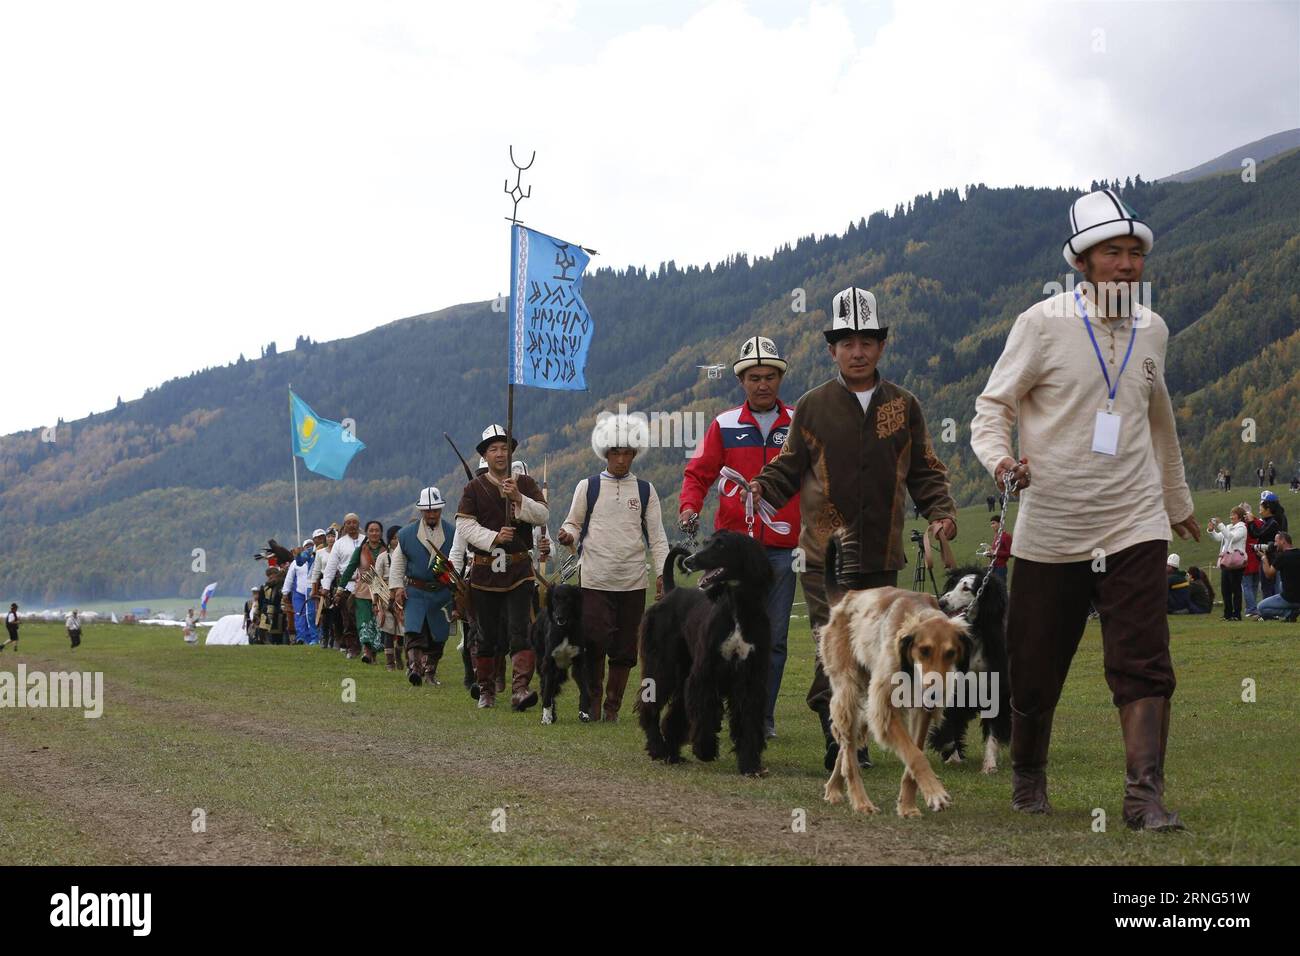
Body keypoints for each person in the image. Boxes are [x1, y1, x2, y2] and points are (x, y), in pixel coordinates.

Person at [970, 188, 1199, 831]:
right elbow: (993, 409)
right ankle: (1027, 778)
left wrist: (1175, 500)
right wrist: (1001, 462)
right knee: (1034, 663)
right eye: (1112, 254)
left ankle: (1143, 796)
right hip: (1051, 524)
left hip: (1133, 518)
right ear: (1082, 262)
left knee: (1144, 656)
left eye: (1135, 254)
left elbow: (1161, 421)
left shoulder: (1153, 330)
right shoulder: (1040, 325)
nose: (1127, 265)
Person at [751, 286, 958, 772]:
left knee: (879, 653)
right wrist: (762, 488)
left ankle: (852, 728)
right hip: (826, 557)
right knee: (839, 649)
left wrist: (941, 511)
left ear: (881, 346)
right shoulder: (812, 406)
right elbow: (787, 466)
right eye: (847, 343)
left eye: (866, 341)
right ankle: (841, 740)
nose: (857, 351)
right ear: (832, 351)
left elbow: (926, 469)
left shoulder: (903, 406)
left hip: (883, 554)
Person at [679, 335, 800, 738]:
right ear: (742, 382)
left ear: (779, 379)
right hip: (731, 553)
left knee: (774, 638)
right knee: (721, 633)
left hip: (782, 551)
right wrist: (688, 507)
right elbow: (698, 472)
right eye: (754, 377)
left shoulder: (799, 422)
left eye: (769, 377)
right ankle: (713, 710)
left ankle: (760, 718)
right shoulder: (724, 424)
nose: (762, 384)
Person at [559, 414, 670, 723]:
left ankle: (612, 708)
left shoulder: (646, 490)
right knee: (593, 640)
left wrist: (662, 574)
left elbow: (658, 537)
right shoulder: (589, 487)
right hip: (594, 576)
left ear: (635, 454)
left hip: (633, 579)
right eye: (615, 453)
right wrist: (568, 535)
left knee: (624, 649)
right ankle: (592, 702)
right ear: (605, 454)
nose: (621, 459)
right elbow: (573, 522)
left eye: (627, 453)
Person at [455, 425, 549, 710]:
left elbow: (543, 513)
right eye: (494, 449)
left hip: (519, 571)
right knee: (486, 635)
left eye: (505, 448)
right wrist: (493, 537)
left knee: (521, 630)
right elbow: (464, 525)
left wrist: (520, 499)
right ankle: (486, 690)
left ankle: (520, 689)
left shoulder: (526, 483)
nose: (500, 453)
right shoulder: (473, 488)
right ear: (485, 454)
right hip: (485, 572)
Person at [391, 488, 459, 686]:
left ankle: (430, 672)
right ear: (421, 511)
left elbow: (458, 561)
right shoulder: (406, 535)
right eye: (428, 511)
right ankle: (414, 667)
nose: (432, 514)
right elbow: (398, 564)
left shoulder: (453, 533)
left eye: (435, 510)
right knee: (414, 631)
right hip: (416, 591)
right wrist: (397, 588)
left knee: (438, 636)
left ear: (440, 510)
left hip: (442, 592)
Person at [338, 520, 389, 664]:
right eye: (371, 530)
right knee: (364, 622)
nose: (374, 533)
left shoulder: (386, 551)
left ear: (381, 533)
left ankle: (373, 653)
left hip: (381, 592)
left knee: (378, 623)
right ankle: (366, 650)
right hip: (363, 592)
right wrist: (340, 588)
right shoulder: (360, 551)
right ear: (366, 533)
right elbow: (350, 569)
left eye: (377, 530)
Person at [320, 514, 362, 659]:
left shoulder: (366, 540)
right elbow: (331, 567)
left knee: (364, 617)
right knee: (347, 618)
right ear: (344, 526)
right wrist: (325, 586)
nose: (352, 525)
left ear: (358, 524)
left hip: (366, 584)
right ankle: (352, 647)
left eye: (354, 522)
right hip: (346, 585)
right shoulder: (339, 544)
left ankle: (367, 646)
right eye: (348, 523)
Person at [1208, 508, 1247, 621]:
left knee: (1236, 588)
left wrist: (1220, 524)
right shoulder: (1229, 527)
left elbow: (1231, 538)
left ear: (1239, 517)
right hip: (1226, 561)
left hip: (1236, 562)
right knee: (1225, 589)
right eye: (1230, 514)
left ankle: (1237, 614)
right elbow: (1219, 538)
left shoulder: (1242, 528)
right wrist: (1211, 531)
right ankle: (1227, 613)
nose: (1231, 517)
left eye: (1233, 514)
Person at [375, 525, 405, 671]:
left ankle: (399, 654)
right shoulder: (382, 557)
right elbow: (376, 579)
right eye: (394, 538)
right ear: (389, 540)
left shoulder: (406, 555)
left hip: (402, 594)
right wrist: (376, 600)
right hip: (385, 594)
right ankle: (389, 663)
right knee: (388, 629)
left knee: (402, 630)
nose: (396, 541)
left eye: (399, 538)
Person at [282, 535, 321, 645]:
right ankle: (301, 637)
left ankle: (313, 637)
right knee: (299, 615)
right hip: (299, 593)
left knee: (312, 614)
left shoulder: (315, 558)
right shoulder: (296, 562)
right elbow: (289, 577)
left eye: (310, 545)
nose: (309, 547)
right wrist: (285, 592)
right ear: (304, 548)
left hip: (312, 591)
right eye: (306, 546)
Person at [1259, 532, 1300, 620]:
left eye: (1276, 541)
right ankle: (1295, 609)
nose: (1274, 544)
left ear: (1283, 541)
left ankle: (1289, 613)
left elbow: (1269, 575)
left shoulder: (1282, 557)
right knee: (1281, 584)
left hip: (1289, 598)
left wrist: (1264, 559)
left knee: (1261, 607)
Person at [256, 566, 287, 644]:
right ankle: (264, 642)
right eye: (269, 575)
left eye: (273, 574)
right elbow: (260, 600)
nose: (271, 576)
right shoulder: (264, 586)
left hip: (278, 610)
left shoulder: (281, 585)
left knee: (278, 631)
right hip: (266, 610)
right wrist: (258, 612)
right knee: (264, 629)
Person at [989, 515, 1013, 584]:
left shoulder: (1006, 536)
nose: (992, 526)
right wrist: (989, 553)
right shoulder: (996, 537)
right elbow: (994, 552)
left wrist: (996, 552)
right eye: (991, 524)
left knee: (1001, 589)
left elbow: (1010, 553)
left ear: (1000, 523)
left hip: (1000, 568)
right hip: (992, 566)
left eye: (993, 523)